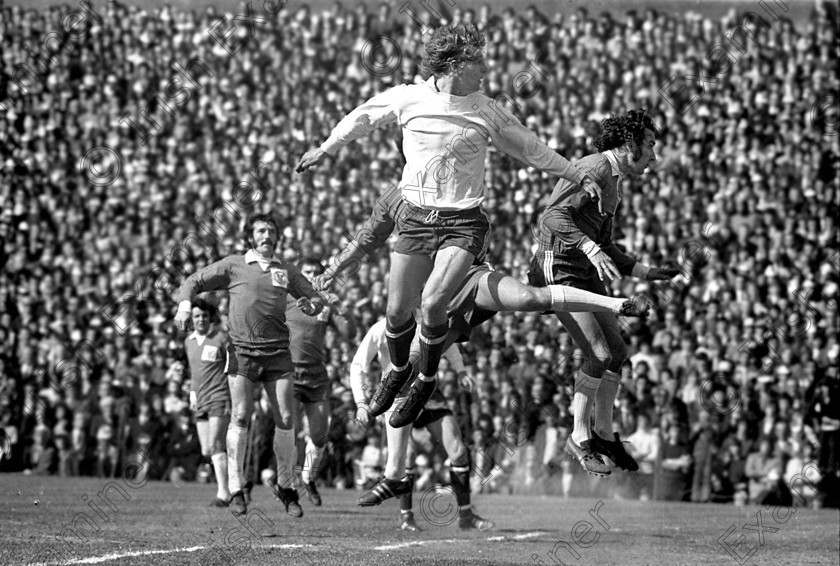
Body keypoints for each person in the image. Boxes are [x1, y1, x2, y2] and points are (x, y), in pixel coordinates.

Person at [297, 23, 604, 429]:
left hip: (464, 223)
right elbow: (363, 117)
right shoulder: (409, 98)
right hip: (415, 219)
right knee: (395, 313)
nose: (486, 68)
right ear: (456, 64)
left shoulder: (487, 109)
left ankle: (424, 379)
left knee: (432, 304)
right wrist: (325, 148)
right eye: (478, 61)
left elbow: (530, 147)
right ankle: (399, 370)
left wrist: (575, 173)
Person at [528, 109, 679, 477]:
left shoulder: (614, 180)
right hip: (559, 264)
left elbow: (605, 243)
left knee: (618, 351)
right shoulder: (595, 168)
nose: (654, 157)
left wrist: (644, 271)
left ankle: (604, 433)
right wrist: (589, 247)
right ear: (629, 145)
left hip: (582, 266)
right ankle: (579, 437)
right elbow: (550, 217)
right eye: (650, 146)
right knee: (597, 351)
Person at [174, 214, 325, 517]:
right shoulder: (234, 264)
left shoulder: (285, 269)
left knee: (286, 417)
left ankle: (286, 486)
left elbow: (313, 297)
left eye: (271, 230)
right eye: (260, 230)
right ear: (250, 236)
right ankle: (236, 488)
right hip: (242, 351)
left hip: (278, 352)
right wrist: (185, 305)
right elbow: (193, 281)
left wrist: (314, 303)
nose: (266, 234)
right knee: (241, 416)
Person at [349, 318, 495, 532]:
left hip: (429, 391)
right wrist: (361, 402)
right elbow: (358, 364)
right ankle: (406, 517)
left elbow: (447, 340)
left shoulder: (429, 319)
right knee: (406, 456)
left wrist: (461, 369)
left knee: (458, 451)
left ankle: (466, 514)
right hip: (397, 396)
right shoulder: (381, 329)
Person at [286, 257, 355, 507]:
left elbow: (349, 333)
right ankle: (288, 486)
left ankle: (307, 478)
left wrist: (342, 309)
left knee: (319, 436)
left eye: (315, 272)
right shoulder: (286, 299)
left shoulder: (324, 305)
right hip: (289, 373)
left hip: (316, 376)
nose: (311, 275)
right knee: (289, 430)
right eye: (307, 272)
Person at [183, 299, 231, 507]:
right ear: (191, 319)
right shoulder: (189, 342)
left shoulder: (221, 339)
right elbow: (194, 372)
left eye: (204, 315)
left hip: (219, 396)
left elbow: (232, 368)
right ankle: (240, 481)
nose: (200, 319)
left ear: (209, 318)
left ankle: (224, 494)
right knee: (206, 451)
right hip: (200, 399)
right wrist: (193, 394)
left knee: (215, 444)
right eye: (196, 316)